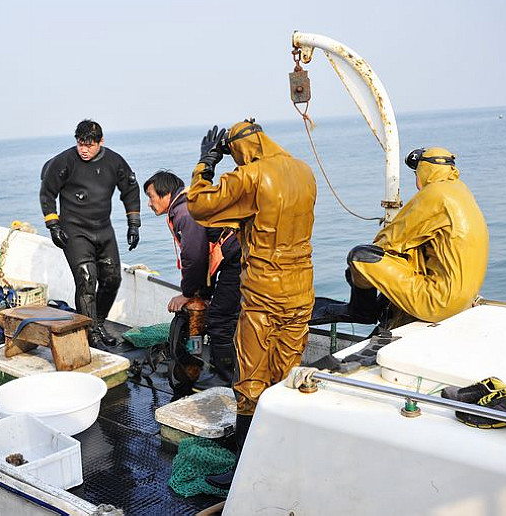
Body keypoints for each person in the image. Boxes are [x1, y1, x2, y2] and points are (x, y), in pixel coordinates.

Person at [186, 120, 317, 489]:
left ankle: (247, 465)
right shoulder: (303, 171)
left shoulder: (252, 176)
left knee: (251, 379)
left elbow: (199, 205)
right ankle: (284, 453)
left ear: (242, 149)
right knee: (287, 373)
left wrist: (205, 165)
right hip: (301, 288)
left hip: (264, 292)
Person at [338, 147, 488, 325]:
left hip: (439, 302)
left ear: (425, 171)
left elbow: (387, 241)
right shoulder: (461, 191)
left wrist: (357, 276)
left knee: (360, 257)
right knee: (408, 256)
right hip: (464, 300)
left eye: (416, 172)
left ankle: (362, 313)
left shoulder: (434, 194)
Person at [39, 119, 141, 349]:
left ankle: (99, 323)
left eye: (89, 144)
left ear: (101, 142)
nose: (84, 149)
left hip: (103, 229)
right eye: (80, 143)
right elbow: (47, 193)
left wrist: (133, 223)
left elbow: (130, 189)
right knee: (86, 279)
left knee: (112, 279)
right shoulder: (64, 161)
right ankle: (90, 331)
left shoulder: (114, 161)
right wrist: (53, 225)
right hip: (74, 231)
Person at [143, 169, 241, 388]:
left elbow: (195, 259)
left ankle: (225, 377)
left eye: (150, 197)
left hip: (237, 260)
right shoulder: (186, 205)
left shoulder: (185, 213)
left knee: (220, 319)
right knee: (224, 315)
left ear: (166, 193)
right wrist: (202, 295)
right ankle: (229, 369)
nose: (149, 203)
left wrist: (187, 294)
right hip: (233, 258)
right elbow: (207, 256)